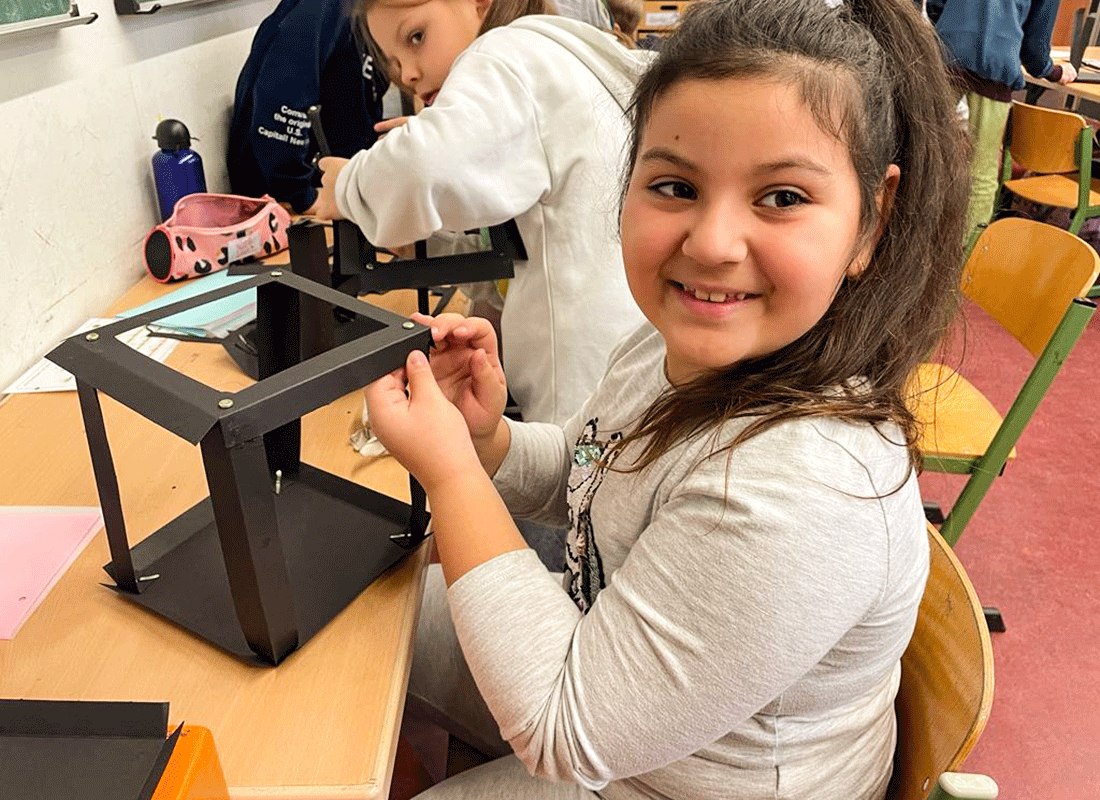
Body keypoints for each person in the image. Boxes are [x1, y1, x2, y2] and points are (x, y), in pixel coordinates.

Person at [362, 0, 970, 797]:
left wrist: (451, 476)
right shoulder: (673, 344)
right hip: (607, 683)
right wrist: (488, 442)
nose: (711, 244)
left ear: (871, 221)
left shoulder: (805, 485)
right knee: (368, 611)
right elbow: (593, 463)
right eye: (676, 186)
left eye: (783, 197)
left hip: (656, 780)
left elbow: (560, 727)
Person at [313, 0, 651, 428]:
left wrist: (346, 187)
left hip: (578, 398)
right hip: (620, 377)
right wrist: (427, 245)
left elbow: (421, 167)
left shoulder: (506, 53)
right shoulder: (554, 65)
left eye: (416, 37)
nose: (409, 74)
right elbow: (519, 261)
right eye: (395, 63)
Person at [927, 0, 1077, 236]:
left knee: (927, 159)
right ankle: (969, 248)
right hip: (994, 71)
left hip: (944, 61)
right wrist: (1053, 71)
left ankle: (914, 240)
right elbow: (1034, 52)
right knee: (981, 174)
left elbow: (935, 6)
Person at [227, 0, 389, 215]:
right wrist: (302, 197)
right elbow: (281, 97)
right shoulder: (324, 6)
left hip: (346, 184)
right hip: (293, 203)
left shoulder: (370, 12)